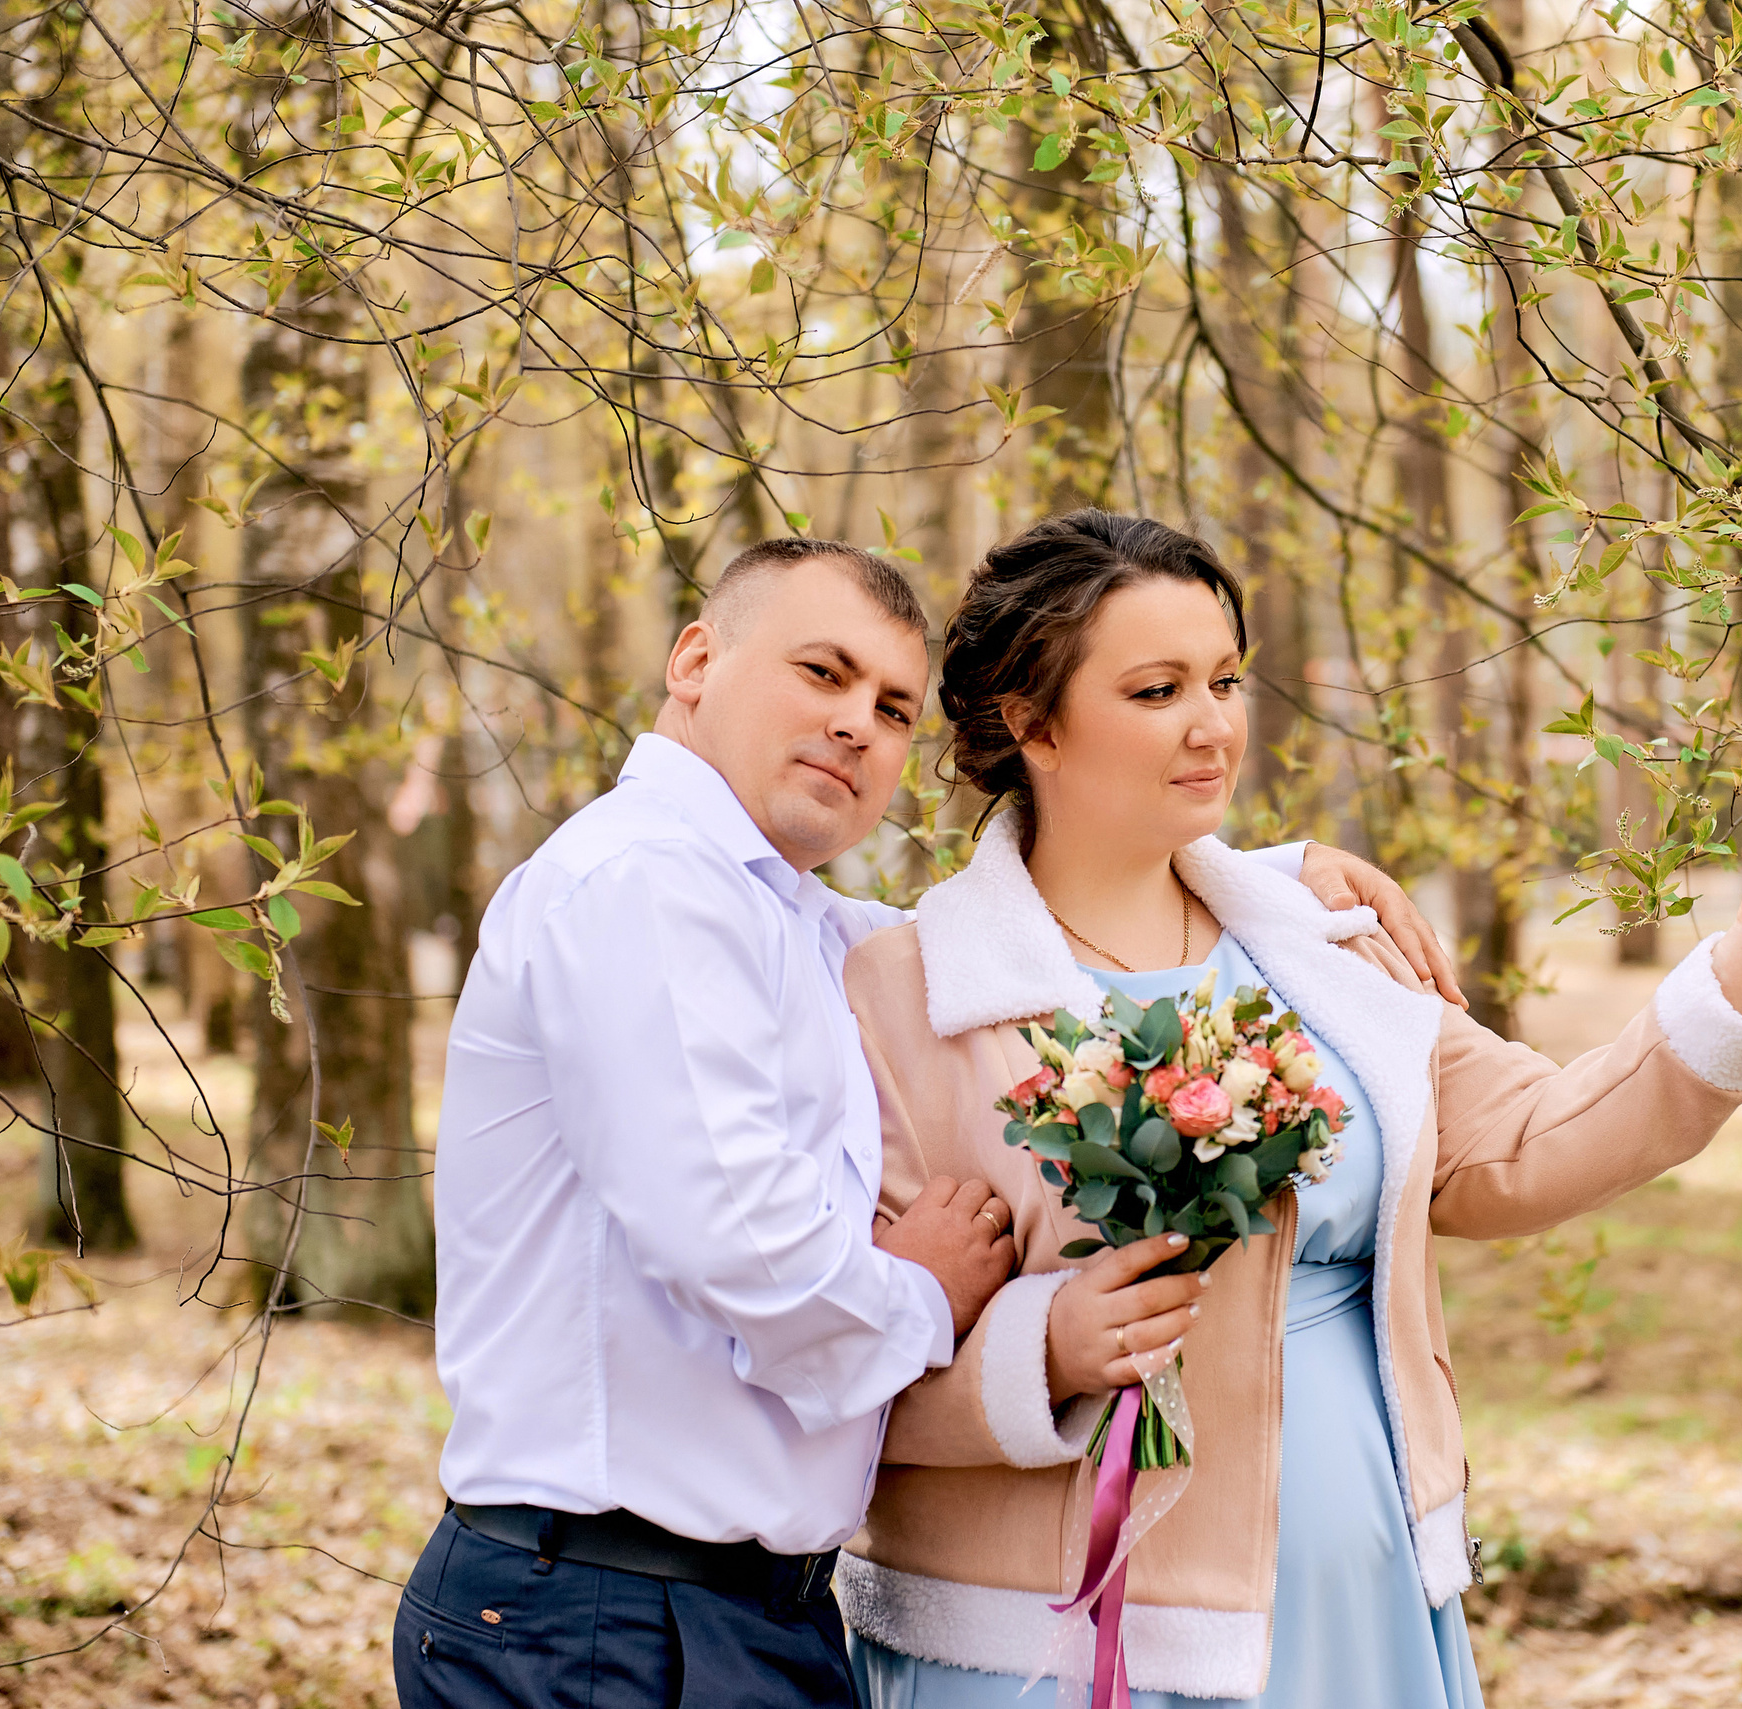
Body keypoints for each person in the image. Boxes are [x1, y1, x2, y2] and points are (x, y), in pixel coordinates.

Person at [835, 511, 1742, 1708]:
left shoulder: (1325, 950)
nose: (1211, 724)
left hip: (1353, 1589)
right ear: (1033, 723)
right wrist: (1045, 1349)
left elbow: (1534, 1138)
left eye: (1226, 679)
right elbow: (831, 1377)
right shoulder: (903, 997)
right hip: (1046, 1642)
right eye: (1157, 689)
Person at [397, 537, 1464, 1709]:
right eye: (822, 672)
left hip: (723, 1609)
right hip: (609, 1614)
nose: (855, 722)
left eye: (892, 707)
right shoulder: (643, 887)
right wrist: (927, 1287)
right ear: (695, 660)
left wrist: (1272, 875)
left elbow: (1017, 931)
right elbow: (753, 1258)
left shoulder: (794, 922)